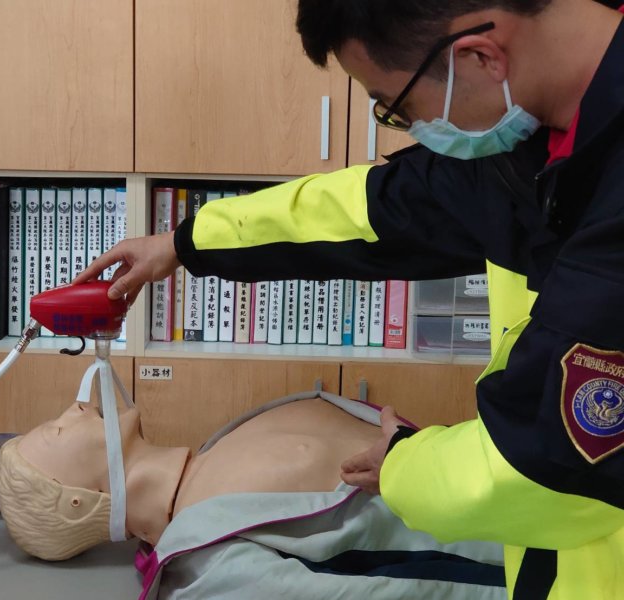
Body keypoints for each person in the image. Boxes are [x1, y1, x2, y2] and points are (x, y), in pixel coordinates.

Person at [72, 1, 624, 597]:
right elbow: (376, 209)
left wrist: (403, 465)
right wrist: (186, 243)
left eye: (398, 107)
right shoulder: (539, 134)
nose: (414, 130)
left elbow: (545, 464)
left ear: (479, 56)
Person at [0, 392, 506, 599]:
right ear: (78, 501)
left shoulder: (227, 440)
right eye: (56, 432)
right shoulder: (209, 566)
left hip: (531, 476)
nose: (74, 408)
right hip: (530, 559)